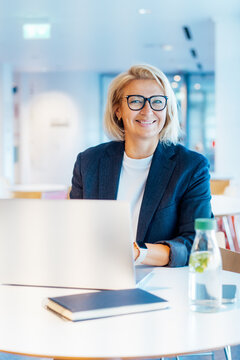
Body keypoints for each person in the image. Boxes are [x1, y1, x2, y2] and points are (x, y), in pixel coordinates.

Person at [70, 64, 212, 267]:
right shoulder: (89, 162)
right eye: (136, 101)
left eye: (157, 102)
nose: (148, 110)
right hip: (97, 275)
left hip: (160, 282)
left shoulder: (191, 167)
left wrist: (137, 252)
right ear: (118, 110)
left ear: (167, 109)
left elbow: (197, 244)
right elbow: (74, 231)